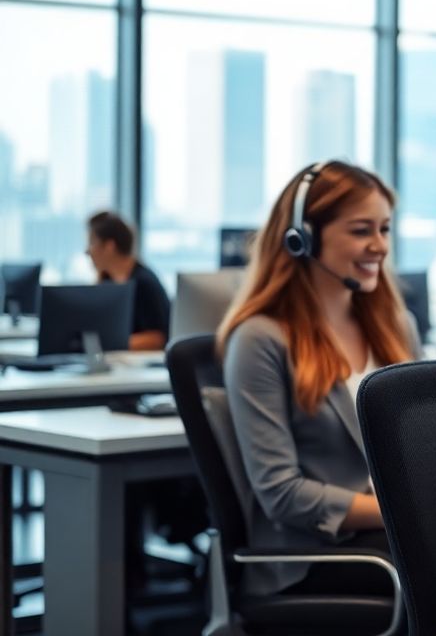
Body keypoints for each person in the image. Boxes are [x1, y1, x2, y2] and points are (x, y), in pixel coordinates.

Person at [218, 161, 419, 597]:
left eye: (385, 229)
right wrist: (403, 510)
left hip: (393, 533)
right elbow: (281, 493)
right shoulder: (260, 339)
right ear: (301, 237)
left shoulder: (396, 328)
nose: (379, 246)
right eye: (362, 230)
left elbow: (423, 449)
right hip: (312, 556)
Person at [86, 210, 172, 351]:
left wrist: (110, 343)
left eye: (91, 243)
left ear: (109, 246)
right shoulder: (106, 281)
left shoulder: (144, 283)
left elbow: (158, 338)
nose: (87, 251)